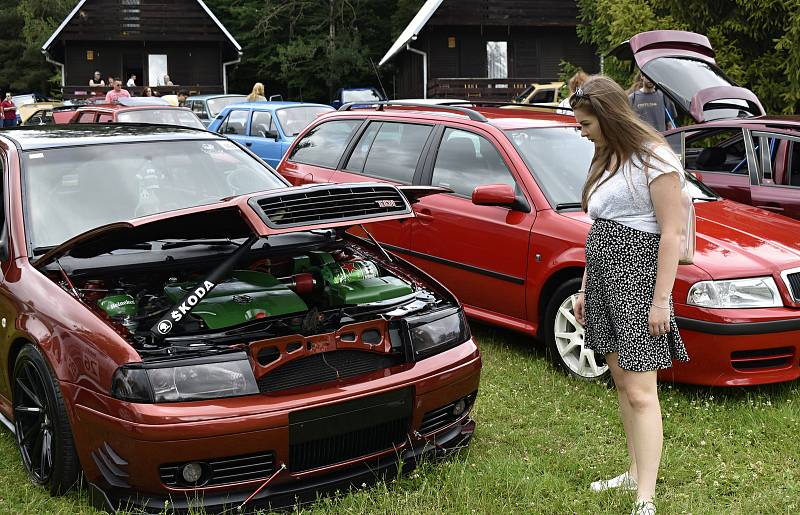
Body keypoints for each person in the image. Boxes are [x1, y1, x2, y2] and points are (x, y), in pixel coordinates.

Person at [570, 75, 690, 515]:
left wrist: (661, 301)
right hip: (603, 277)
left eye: (585, 123)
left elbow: (671, 235)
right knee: (621, 382)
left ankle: (646, 498)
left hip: (638, 279)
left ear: (607, 115)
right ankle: (635, 472)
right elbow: (597, 228)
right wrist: (585, 288)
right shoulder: (607, 156)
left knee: (642, 391)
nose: (580, 130)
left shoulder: (655, 159)